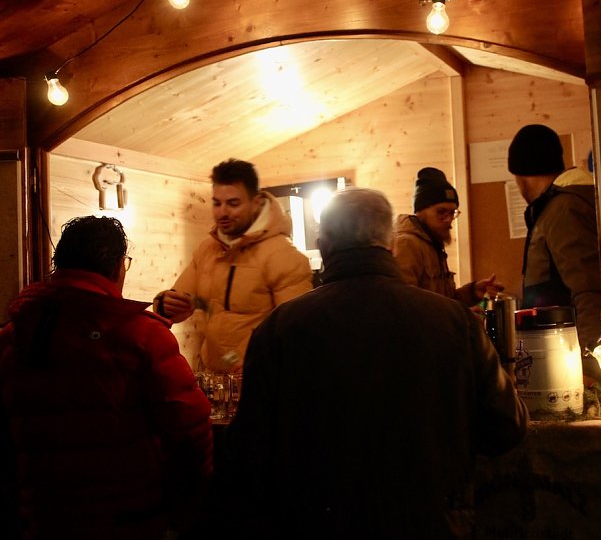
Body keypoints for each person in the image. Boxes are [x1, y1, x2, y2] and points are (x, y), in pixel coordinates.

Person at [222, 187, 528, 539]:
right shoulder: (455, 322)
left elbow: (248, 450)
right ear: (393, 246)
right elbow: (506, 428)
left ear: (323, 245)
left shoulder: (279, 328)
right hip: (430, 522)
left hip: (315, 524)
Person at [0, 216, 213, 540]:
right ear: (118, 267)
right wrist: (190, 508)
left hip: (43, 518)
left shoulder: (14, 335)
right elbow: (189, 431)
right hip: (130, 518)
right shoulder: (142, 335)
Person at [153, 158, 313, 373]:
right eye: (217, 203)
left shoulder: (284, 256)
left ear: (256, 203)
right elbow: (175, 307)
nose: (223, 212)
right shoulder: (207, 249)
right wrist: (166, 303)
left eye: (233, 203)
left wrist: (261, 367)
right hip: (213, 381)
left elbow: (296, 333)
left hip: (260, 382)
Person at [507, 124, 601, 387]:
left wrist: (587, 365)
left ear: (521, 176)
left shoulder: (563, 209)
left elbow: (587, 288)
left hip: (572, 364)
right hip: (563, 355)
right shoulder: (562, 205)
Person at [393, 167, 502, 306]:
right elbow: (405, 305)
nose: (448, 219)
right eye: (441, 212)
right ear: (420, 210)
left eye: (452, 213)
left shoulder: (433, 245)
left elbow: (445, 300)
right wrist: (459, 316)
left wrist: (472, 292)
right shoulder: (406, 244)